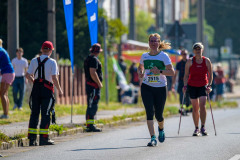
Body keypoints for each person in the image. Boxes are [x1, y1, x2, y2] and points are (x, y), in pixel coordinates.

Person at [138, 33, 175, 146]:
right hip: (147, 87)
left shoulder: (163, 56)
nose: (153, 43)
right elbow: (140, 67)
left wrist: (159, 71)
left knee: (159, 115)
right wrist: (140, 72)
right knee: (149, 112)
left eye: (155, 41)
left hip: (160, 88)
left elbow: (172, 72)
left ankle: (161, 128)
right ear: (149, 43)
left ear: (159, 43)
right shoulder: (144, 56)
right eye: (151, 41)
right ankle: (153, 138)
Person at [26, 41, 63, 146]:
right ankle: (43, 139)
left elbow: (28, 75)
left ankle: (32, 140)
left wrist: (35, 81)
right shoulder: (52, 62)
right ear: (50, 51)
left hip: (36, 89)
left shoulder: (34, 60)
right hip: (47, 90)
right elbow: (54, 78)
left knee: (34, 114)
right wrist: (59, 90)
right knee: (46, 114)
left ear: (42, 49)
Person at [183, 42, 213, 136]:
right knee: (195, 108)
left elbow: (210, 75)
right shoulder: (190, 61)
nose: (197, 51)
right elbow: (186, 75)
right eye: (196, 49)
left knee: (203, 105)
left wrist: (209, 85)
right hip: (192, 86)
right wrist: (184, 86)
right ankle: (196, 128)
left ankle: (203, 127)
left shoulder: (207, 61)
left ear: (202, 50)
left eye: (199, 49)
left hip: (203, 85)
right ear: (193, 51)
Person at [84, 43, 103, 132]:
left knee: (91, 104)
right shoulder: (94, 60)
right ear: (98, 51)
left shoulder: (88, 58)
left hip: (90, 85)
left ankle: (90, 124)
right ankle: (91, 125)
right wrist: (99, 83)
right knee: (93, 105)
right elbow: (93, 73)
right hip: (93, 86)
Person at [172, 49, 191, 115]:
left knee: (188, 96)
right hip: (181, 82)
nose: (184, 55)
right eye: (183, 54)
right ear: (181, 55)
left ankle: (187, 109)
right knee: (181, 96)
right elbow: (175, 74)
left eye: (185, 54)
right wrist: (173, 84)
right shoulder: (179, 64)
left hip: (189, 82)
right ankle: (182, 109)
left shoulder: (190, 62)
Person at [0, 39, 15, 119]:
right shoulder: (2, 50)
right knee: (4, 94)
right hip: (8, 73)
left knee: (3, 94)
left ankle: (6, 114)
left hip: (7, 73)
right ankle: (6, 113)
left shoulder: (0, 51)